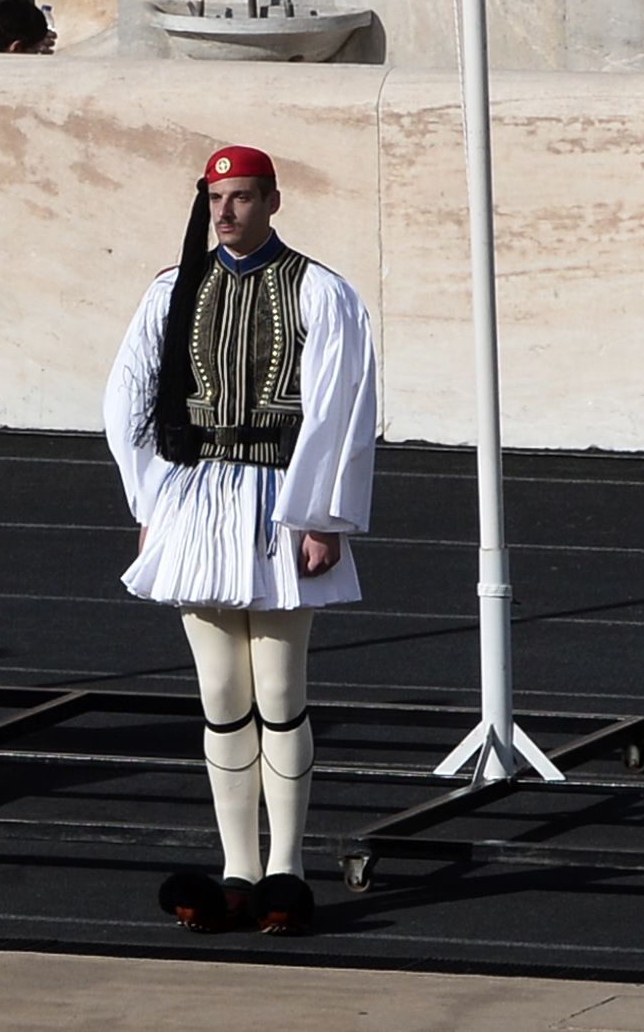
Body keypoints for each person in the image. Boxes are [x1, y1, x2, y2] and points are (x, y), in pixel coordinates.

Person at [105, 143, 377, 940]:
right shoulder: (173, 290)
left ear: (273, 202)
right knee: (222, 698)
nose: (227, 212)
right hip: (199, 498)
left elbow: (342, 406)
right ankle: (236, 872)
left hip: (280, 498)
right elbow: (133, 396)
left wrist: (322, 515)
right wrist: (150, 496)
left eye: (245, 198)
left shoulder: (319, 291)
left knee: (280, 695)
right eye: (218, 198)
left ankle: (286, 868)